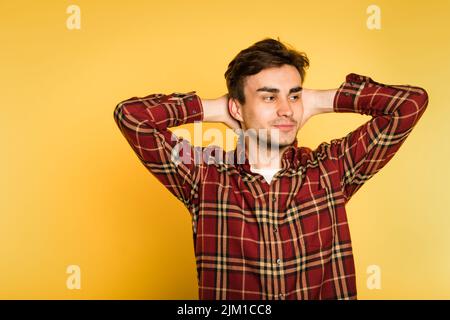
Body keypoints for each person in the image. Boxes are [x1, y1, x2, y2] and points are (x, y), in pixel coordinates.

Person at [113, 37, 429, 300]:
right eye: (269, 97)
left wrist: (319, 100)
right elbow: (133, 118)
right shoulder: (205, 175)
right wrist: (218, 109)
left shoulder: (331, 168)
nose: (286, 109)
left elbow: (409, 104)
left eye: (294, 95)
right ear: (237, 107)